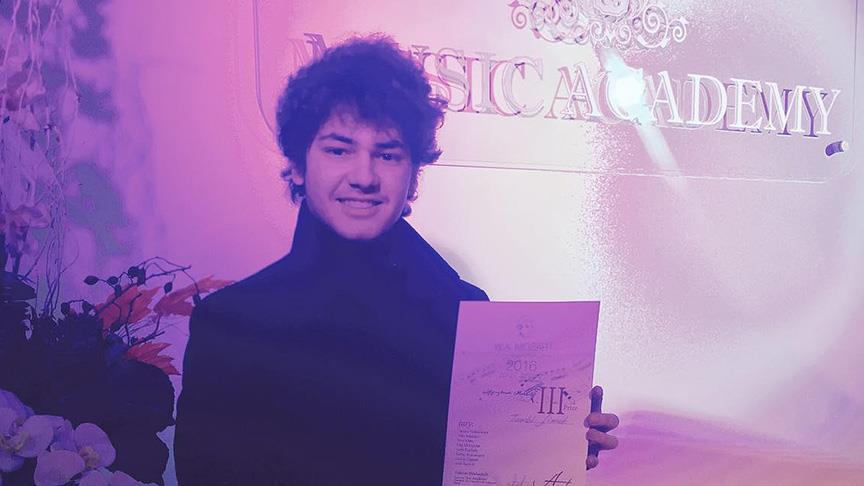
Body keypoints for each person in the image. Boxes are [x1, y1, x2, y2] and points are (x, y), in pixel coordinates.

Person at [174, 35, 618, 485]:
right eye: (338, 149)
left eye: (387, 155)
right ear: (297, 165)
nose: (364, 176)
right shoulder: (232, 322)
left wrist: (548, 446)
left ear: (413, 176)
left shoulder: (464, 313)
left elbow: (490, 470)